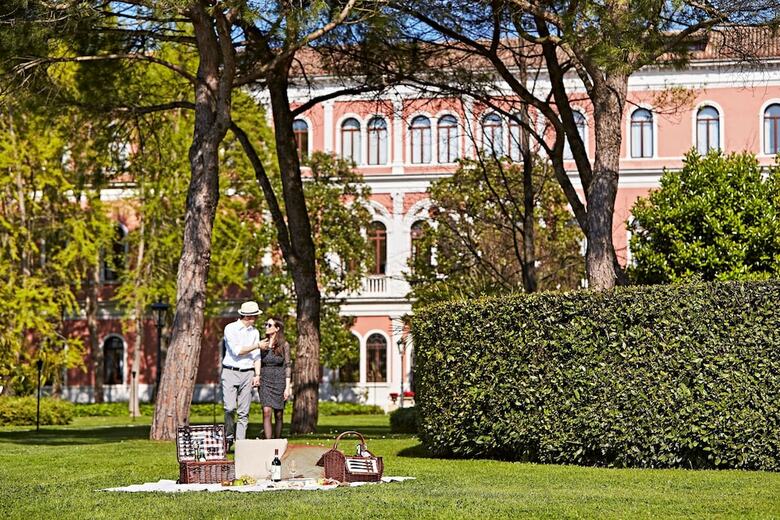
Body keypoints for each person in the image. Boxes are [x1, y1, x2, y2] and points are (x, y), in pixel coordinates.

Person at [222, 300, 263, 447]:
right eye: (255, 316)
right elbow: (237, 351)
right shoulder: (230, 328)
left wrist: (257, 375)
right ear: (249, 316)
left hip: (248, 373)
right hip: (230, 371)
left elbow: (256, 355)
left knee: (244, 412)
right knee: (229, 408)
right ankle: (228, 436)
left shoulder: (255, 332)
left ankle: (240, 445)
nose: (256, 318)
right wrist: (257, 345)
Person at [253, 316, 292, 439]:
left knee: (279, 414)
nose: (266, 327)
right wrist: (257, 375)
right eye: (266, 324)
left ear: (277, 328)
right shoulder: (262, 344)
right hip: (265, 381)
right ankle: (268, 443)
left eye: (269, 325)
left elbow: (287, 366)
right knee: (266, 412)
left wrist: (287, 387)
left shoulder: (284, 345)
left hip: (279, 381)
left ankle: (277, 442)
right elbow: (257, 360)